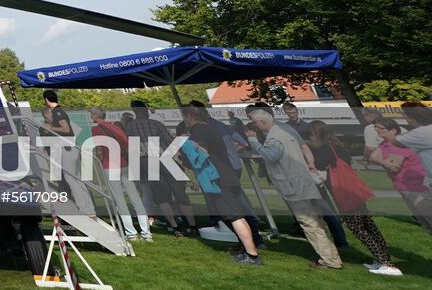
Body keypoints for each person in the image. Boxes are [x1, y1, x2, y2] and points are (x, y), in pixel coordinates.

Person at [244, 104, 341, 268]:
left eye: (255, 124)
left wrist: (253, 140)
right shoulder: (285, 132)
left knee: (308, 223)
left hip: (293, 185)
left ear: (261, 122)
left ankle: (329, 260)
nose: (255, 127)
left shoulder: (274, 137)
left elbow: (270, 156)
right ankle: (332, 256)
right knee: (317, 222)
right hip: (303, 181)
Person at [308, 120, 400, 275]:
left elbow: (317, 165)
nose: (309, 138)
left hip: (345, 195)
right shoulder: (337, 146)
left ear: (317, 134)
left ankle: (386, 263)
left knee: (358, 228)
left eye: (310, 134)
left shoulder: (325, 149)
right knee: (369, 227)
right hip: (354, 191)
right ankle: (384, 258)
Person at [182, 107, 262, 264]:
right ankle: (248, 247)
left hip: (217, 177)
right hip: (227, 174)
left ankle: (252, 255)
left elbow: (202, 154)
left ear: (190, 116)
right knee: (235, 214)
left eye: (185, 117)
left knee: (233, 216)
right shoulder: (210, 128)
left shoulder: (199, 131)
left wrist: (186, 149)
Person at [124, 101, 193, 235]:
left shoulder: (129, 127)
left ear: (134, 112)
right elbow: (170, 141)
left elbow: (130, 148)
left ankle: (174, 226)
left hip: (145, 161)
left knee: (161, 196)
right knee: (180, 192)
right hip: (164, 158)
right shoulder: (156, 124)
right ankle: (192, 225)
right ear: (145, 111)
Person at [89, 108, 151, 240]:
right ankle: (146, 232)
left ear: (95, 116)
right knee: (135, 198)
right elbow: (127, 145)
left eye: (91, 115)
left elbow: (99, 149)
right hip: (123, 164)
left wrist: (100, 160)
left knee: (120, 200)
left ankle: (131, 232)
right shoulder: (115, 127)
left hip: (109, 165)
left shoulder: (96, 129)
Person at [370, 116, 432, 234]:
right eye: (375, 128)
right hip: (403, 186)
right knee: (424, 221)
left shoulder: (399, 143)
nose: (376, 130)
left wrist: (380, 160)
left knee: (427, 216)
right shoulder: (384, 143)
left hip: (415, 186)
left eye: (379, 128)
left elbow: (394, 167)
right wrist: (383, 161)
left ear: (392, 130)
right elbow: (372, 157)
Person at [39, 90, 93, 214]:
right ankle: (89, 208)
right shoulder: (59, 111)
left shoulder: (57, 111)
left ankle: (84, 209)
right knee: (77, 180)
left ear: (46, 100)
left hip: (67, 149)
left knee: (72, 180)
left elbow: (66, 129)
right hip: (70, 148)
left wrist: (50, 128)